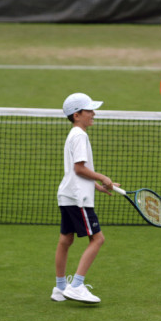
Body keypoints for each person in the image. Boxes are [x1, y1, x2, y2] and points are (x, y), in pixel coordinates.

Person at [52, 93, 116, 304]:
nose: (93, 114)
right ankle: (77, 286)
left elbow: (76, 171)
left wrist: (96, 185)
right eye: (89, 111)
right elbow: (79, 168)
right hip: (78, 199)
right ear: (77, 115)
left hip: (68, 195)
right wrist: (103, 177)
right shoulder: (80, 135)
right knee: (98, 239)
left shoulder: (74, 134)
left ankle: (60, 288)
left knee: (66, 240)